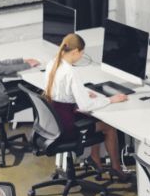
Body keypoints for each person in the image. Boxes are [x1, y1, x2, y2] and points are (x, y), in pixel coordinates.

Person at [44, 33, 129, 180]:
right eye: (82, 53)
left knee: (92, 116)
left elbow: (62, 93)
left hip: (56, 119)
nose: (82, 56)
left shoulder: (52, 63)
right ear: (75, 51)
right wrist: (110, 100)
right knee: (108, 126)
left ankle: (95, 158)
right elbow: (85, 106)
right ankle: (116, 168)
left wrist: (82, 93)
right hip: (66, 127)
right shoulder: (71, 72)